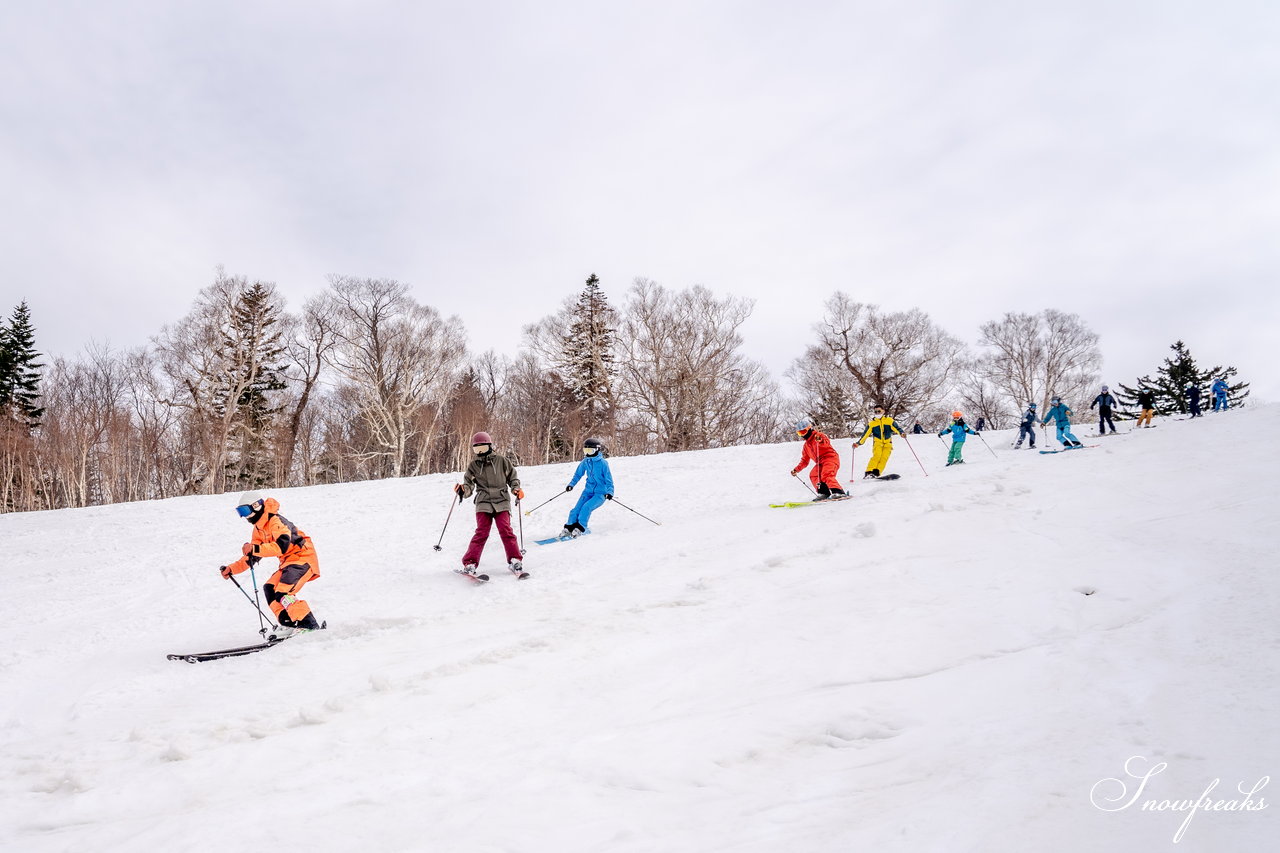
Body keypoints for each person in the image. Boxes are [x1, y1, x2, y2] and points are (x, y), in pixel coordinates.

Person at [219, 491, 323, 636]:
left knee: (284, 591)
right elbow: (252, 555)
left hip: (303, 558)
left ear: (256, 506)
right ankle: (289, 624)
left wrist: (254, 548)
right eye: (240, 512)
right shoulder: (258, 529)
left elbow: (282, 546)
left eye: (245, 511)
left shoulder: (275, 521)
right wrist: (232, 569)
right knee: (270, 588)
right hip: (287, 562)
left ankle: (309, 624)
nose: (244, 516)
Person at [455, 431, 525, 578]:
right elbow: (468, 485)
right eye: (476, 449)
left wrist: (516, 489)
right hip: (483, 501)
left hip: (501, 500)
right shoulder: (473, 465)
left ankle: (515, 560)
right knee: (481, 532)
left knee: (505, 530)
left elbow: (513, 478)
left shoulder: (502, 461)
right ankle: (470, 563)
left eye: (482, 448)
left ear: (489, 446)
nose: (479, 452)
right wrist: (463, 490)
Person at [560, 437, 614, 539]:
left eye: (591, 451)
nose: (588, 453)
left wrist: (610, 492)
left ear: (597, 450)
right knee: (575, 510)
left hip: (600, 494)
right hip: (588, 491)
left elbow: (609, 480)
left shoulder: (603, 463)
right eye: (586, 451)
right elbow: (578, 474)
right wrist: (571, 485)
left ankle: (580, 528)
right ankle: (569, 527)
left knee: (586, 508)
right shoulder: (586, 461)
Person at [790, 418, 846, 500]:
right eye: (799, 433)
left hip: (830, 458)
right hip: (820, 463)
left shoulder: (818, 435)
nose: (802, 435)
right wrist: (796, 470)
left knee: (826, 474)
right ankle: (824, 493)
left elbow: (826, 441)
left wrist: (820, 440)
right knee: (814, 474)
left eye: (803, 432)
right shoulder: (806, 446)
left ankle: (838, 492)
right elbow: (805, 461)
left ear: (809, 429)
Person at [854, 405, 903, 478]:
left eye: (879, 411)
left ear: (883, 411)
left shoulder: (889, 421)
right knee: (877, 456)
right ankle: (869, 472)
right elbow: (865, 435)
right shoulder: (872, 423)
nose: (877, 413)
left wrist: (902, 433)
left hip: (888, 444)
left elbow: (897, 428)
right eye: (875, 412)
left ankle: (876, 472)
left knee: (884, 458)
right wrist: (858, 443)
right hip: (878, 443)